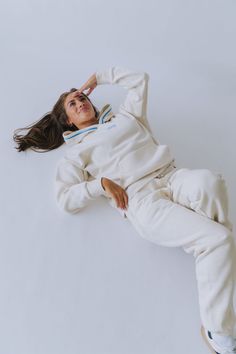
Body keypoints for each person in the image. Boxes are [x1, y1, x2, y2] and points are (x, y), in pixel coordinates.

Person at [13, 66, 236, 353]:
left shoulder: (127, 116)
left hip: (171, 176)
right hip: (142, 200)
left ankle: (219, 259)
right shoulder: (76, 152)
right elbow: (65, 199)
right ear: (67, 120)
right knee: (217, 239)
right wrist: (101, 185)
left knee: (210, 182)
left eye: (82, 97)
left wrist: (99, 77)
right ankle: (217, 331)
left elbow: (140, 80)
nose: (81, 102)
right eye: (73, 103)